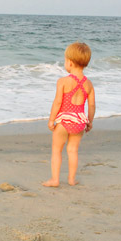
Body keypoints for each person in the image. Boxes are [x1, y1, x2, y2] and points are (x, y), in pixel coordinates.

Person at [43, 42, 96, 187]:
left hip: (64, 121)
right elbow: (91, 105)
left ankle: (55, 180)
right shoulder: (89, 84)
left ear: (70, 63)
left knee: (56, 150)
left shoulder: (63, 81)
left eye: (65, 61)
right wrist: (90, 122)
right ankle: (71, 179)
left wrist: (51, 120)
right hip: (79, 122)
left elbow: (58, 103)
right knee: (73, 151)